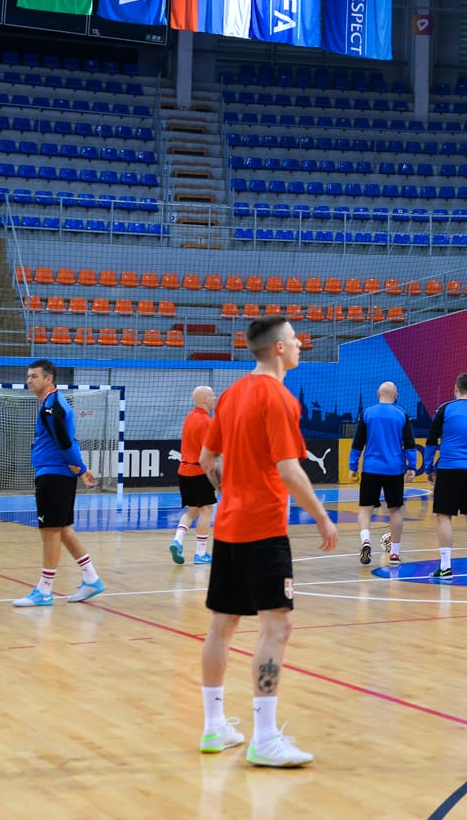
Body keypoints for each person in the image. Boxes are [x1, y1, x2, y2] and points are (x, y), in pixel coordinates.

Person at [198, 317, 339, 767]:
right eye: (295, 339)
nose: (301, 344)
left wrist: (229, 491)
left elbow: (206, 459)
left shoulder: (232, 394)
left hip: (228, 526)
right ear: (278, 348)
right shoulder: (278, 396)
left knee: (223, 625)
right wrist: (321, 516)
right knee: (277, 626)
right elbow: (289, 469)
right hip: (263, 529)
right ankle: (264, 737)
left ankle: (213, 727)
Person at [13, 359, 104, 607]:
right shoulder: (50, 403)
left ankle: (44, 590)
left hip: (54, 474)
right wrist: (79, 468)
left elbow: (64, 441)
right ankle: (91, 578)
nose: (29, 380)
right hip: (55, 473)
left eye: (34, 376)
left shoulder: (52, 406)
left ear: (48, 379)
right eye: (28, 376)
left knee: (50, 531)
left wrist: (81, 469)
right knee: (63, 528)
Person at [422, 373, 467, 579]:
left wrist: (427, 467)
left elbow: (432, 440)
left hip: (449, 468)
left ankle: (445, 567)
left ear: (455, 388)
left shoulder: (445, 409)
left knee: (444, 517)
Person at [349, 381, 416, 567]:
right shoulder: (402, 415)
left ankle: (366, 541)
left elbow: (358, 442)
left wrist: (352, 466)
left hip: (371, 468)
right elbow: (410, 444)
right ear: (396, 395)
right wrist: (412, 467)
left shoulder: (367, 413)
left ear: (378, 393)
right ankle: (394, 553)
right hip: (394, 469)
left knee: (365, 509)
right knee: (395, 510)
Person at [170, 385, 218, 565]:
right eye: (212, 395)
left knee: (192, 510)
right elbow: (209, 454)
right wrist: (216, 479)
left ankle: (177, 540)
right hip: (200, 471)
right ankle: (200, 553)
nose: (215, 398)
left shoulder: (189, 418)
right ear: (204, 399)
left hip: (184, 470)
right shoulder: (207, 422)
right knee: (207, 510)